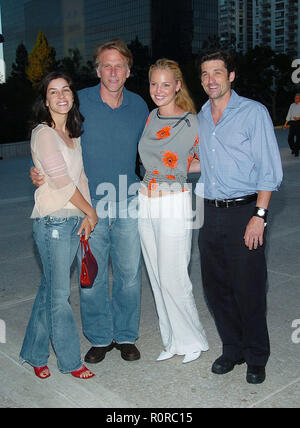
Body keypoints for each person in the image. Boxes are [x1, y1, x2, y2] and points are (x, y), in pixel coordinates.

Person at [30, 39, 149, 363]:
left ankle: (125, 336)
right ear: (98, 70)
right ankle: (99, 338)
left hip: (127, 201)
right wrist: (39, 169)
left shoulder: (139, 106)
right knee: (91, 276)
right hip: (89, 207)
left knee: (128, 274)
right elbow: (55, 137)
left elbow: (150, 150)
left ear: (128, 71)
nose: (113, 71)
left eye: (119, 66)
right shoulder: (79, 101)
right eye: (106, 65)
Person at [194, 50, 283, 384]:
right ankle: (233, 349)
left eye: (217, 72)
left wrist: (259, 215)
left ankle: (257, 355)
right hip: (209, 212)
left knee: (249, 287)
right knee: (216, 288)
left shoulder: (253, 113)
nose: (211, 80)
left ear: (231, 76)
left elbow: (269, 170)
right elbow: (201, 162)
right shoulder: (201, 115)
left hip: (246, 211)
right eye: (204, 74)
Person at [20, 71, 98, 379]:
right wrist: (91, 213)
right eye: (54, 92)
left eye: (66, 90)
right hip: (52, 222)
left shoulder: (72, 133)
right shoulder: (44, 133)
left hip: (72, 220)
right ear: (45, 100)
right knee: (58, 297)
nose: (61, 95)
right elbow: (62, 182)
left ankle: (35, 353)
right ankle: (70, 361)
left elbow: (80, 178)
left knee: (48, 291)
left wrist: (86, 217)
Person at [138, 59, 209, 364]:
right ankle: (171, 340)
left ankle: (192, 340)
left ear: (178, 86)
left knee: (174, 275)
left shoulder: (193, 122)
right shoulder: (150, 116)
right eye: (154, 83)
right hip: (145, 201)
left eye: (166, 84)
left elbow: (208, 160)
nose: (159, 90)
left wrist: (178, 168)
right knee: (155, 275)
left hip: (174, 202)